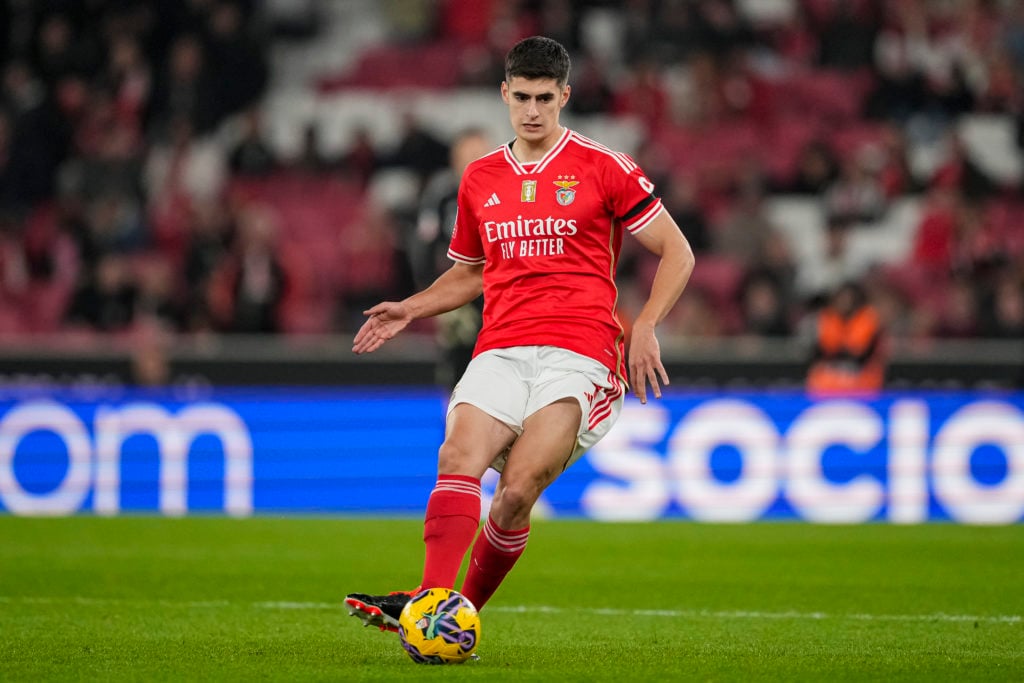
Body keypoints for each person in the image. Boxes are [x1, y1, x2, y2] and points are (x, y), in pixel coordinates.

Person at [344, 36, 694, 633]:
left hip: (580, 354)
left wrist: (647, 326)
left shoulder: (605, 167)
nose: (532, 110)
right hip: (501, 346)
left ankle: (459, 611)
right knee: (456, 456)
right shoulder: (480, 178)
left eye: (544, 98)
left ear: (565, 96)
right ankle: (432, 606)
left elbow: (677, 251)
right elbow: (472, 272)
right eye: (521, 97)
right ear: (505, 94)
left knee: (514, 493)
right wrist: (411, 308)